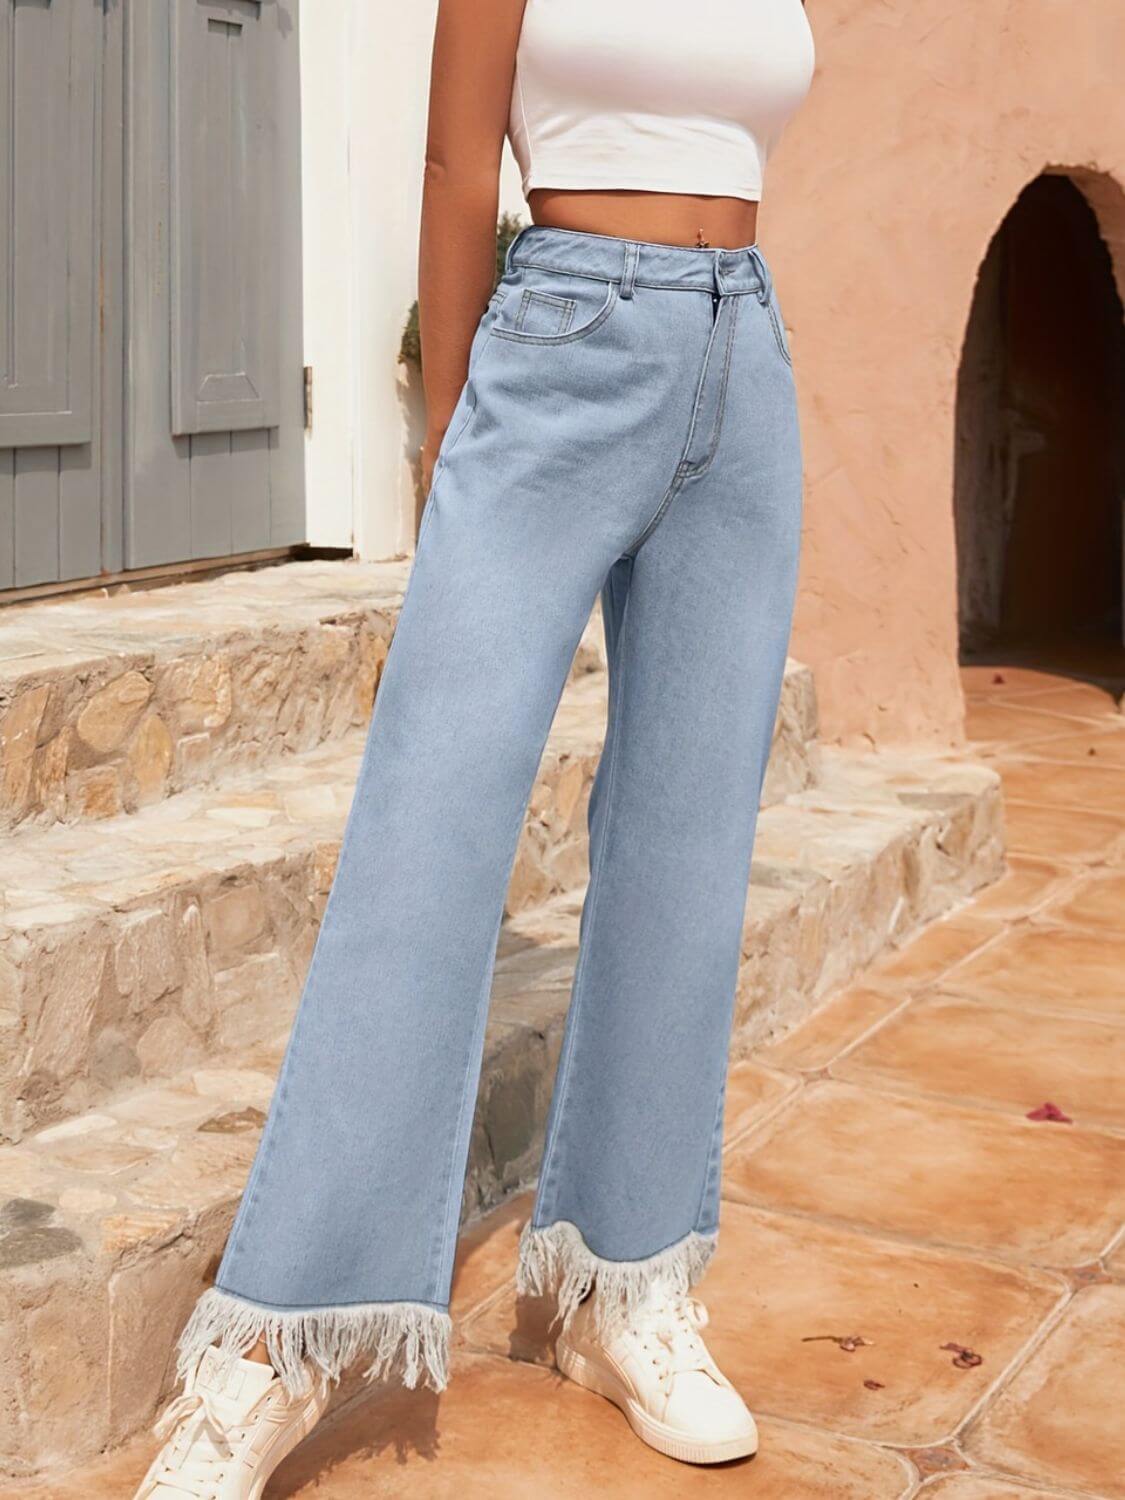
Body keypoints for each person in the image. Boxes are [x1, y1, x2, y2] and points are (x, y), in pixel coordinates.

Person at [135, 0, 814, 1493]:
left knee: (688, 850)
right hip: (561, 343)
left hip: (741, 361)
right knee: (427, 838)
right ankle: (280, 1337)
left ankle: (622, 1285)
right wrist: (452, 437)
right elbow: (456, 168)